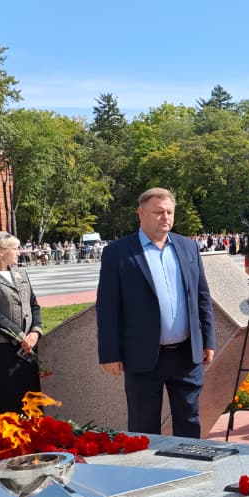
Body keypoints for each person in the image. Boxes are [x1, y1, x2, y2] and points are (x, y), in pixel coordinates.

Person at [96, 187, 216, 437]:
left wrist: (208, 340)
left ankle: (189, 469)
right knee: (143, 424)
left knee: (189, 419)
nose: (166, 217)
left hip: (186, 354)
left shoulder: (187, 247)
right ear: (141, 213)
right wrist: (109, 353)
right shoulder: (118, 253)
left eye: (170, 212)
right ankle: (146, 473)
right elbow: (107, 307)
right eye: (159, 212)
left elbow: (201, 297)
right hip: (143, 355)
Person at [0, 231, 43, 414]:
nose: (20, 252)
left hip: (29, 345)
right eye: (15, 248)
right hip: (4, 347)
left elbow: (34, 305)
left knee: (32, 396)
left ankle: (37, 435)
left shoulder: (21, 273)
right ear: (0, 251)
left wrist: (35, 332)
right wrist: (21, 337)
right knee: (9, 396)